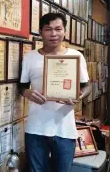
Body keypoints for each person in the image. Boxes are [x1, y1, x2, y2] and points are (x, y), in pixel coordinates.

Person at [19, 13, 91, 172]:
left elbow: (87, 86)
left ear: (65, 31)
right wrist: (27, 93)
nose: (53, 34)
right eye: (48, 29)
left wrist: (78, 96)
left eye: (58, 29)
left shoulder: (75, 56)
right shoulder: (30, 57)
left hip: (65, 129)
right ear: (40, 32)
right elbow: (21, 86)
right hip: (35, 129)